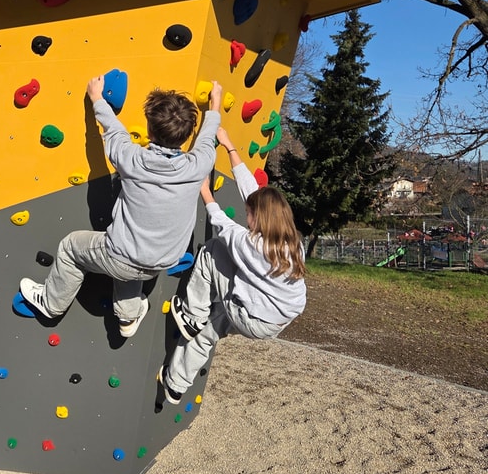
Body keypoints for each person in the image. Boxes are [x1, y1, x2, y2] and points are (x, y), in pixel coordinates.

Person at [19, 75, 223, 336]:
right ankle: (127, 318)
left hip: (120, 257)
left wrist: (96, 98)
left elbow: (113, 130)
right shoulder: (199, 165)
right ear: (186, 136)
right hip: (163, 261)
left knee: (71, 246)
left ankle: (50, 303)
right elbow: (207, 138)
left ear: (149, 130)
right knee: (131, 259)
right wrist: (214, 106)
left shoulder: (133, 159)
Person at [159, 126, 306, 403]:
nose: (246, 216)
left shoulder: (252, 244)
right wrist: (229, 147)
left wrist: (204, 190)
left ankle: (191, 314)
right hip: (274, 320)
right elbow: (253, 193)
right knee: (211, 328)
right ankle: (175, 385)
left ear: (259, 219)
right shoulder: (292, 242)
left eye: (249, 214)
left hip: (254, 316)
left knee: (213, 249)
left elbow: (220, 221)